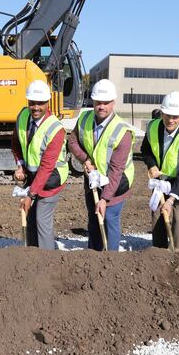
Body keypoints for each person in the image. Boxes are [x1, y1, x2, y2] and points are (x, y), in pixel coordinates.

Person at [68, 79, 136, 251]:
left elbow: (116, 171)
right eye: (98, 102)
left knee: (109, 218)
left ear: (113, 103)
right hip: (93, 179)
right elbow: (73, 141)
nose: (102, 106)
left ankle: (110, 257)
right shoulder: (84, 119)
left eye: (106, 103)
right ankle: (94, 255)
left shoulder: (123, 132)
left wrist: (105, 199)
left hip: (117, 182)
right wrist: (85, 159)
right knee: (93, 218)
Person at [11, 80, 68, 249]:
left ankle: (46, 260)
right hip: (33, 176)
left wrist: (30, 195)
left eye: (40, 103)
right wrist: (20, 164)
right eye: (32, 103)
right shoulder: (23, 116)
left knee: (42, 220)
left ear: (47, 102)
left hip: (51, 179)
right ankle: (32, 256)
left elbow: (47, 167)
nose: (36, 107)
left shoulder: (56, 129)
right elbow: (15, 142)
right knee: (29, 218)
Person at [141, 91, 179, 250]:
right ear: (161, 112)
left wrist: (171, 199)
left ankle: (176, 253)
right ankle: (158, 254)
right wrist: (151, 165)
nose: (171, 120)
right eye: (167, 115)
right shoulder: (153, 127)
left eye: (175, 116)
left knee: (178, 219)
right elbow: (145, 150)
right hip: (161, 181)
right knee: (157, 216)